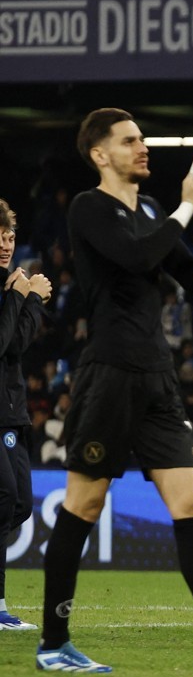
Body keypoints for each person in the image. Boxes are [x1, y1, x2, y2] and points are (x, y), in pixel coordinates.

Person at [39, 108, 193, 673]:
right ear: (100, 154)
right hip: (109, 374)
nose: (141, 148)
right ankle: (54, 644)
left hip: (157, 376)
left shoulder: (150, 210)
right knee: (85, 503)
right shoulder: (90, 208)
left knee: (191, 502)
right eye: (129, 142)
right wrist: (188, 205)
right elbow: (134, 256)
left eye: (141, 140)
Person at [0, 200, 51, 632]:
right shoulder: (7, 287)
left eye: (10, 236)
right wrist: (22, 295)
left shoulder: (9, 284)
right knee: (4, 499)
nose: (5, 244)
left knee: (18, 503)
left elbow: (15, 346)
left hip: (10, 412)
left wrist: (29, 301)